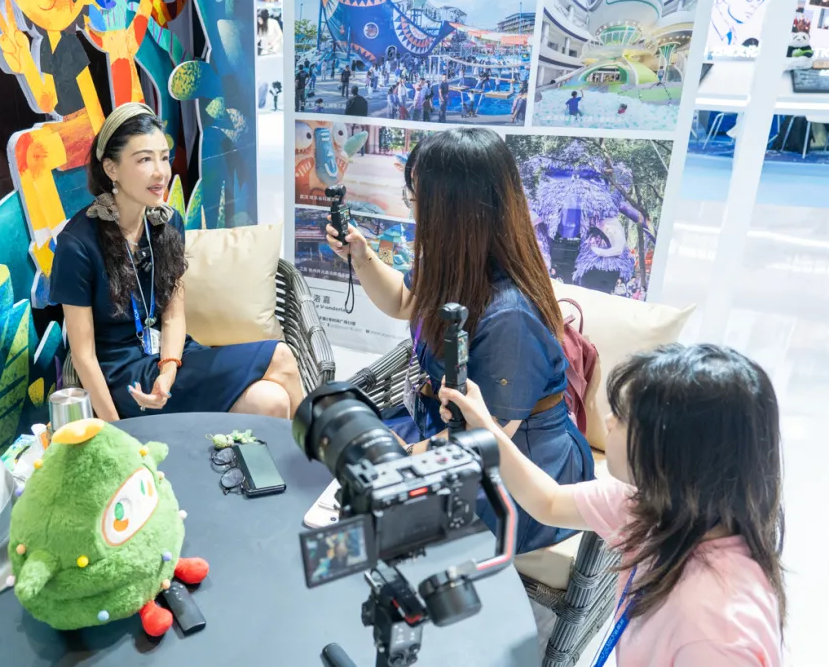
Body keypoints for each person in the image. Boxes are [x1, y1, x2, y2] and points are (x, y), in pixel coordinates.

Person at [325, 128, 593, 553]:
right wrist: (361, 255)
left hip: (517, 470)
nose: (411, 207)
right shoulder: (458, 260)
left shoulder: (511, 318)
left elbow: (487, 436)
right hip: (449, 428)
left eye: (415, 197)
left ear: (451, 209)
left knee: (362, 519)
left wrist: (405, 456)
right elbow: (403, 301)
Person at [438, 344, 785, 666]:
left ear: (671, 450)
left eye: (622, 415)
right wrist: (483, 424)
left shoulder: (715, 633)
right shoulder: (650, 506)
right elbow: (548, 502)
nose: (608, 421)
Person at [51, 103, 303, 422]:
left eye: (163, 157)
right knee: (281, 355)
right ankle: (321, 451)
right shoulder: (77, 244)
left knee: (271, 401)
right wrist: (120, 431)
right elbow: (84, 356)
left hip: (173, 357)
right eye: (144, 159)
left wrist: (168, 372)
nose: (161, 171)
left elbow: (173, 315)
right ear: (111, 168)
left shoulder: (168, 224)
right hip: (124, 375)